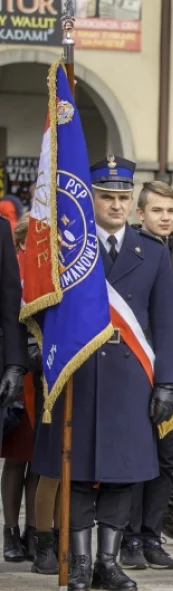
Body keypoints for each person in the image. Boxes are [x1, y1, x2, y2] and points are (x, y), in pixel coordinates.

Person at [31, 156, 173, 591]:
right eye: (107, 196)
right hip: (79, 376)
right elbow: (45, 313)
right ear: (91, 198)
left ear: (131, 202)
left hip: (132, 377)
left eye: (122, 197)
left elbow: (163, 325)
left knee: (122, 472)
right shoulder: (69, 249)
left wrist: (168, 382)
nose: (115, 205)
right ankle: (77, 564)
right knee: (76, 471)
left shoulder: (150, 251)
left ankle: (108, 564)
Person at [116, 181, 173, 572]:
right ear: (140, 213)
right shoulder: (128, 251)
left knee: (165, 459)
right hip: (135, 371)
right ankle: (127, 536)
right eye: (156, 210)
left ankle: (151, 535)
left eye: (170, 211)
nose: (164, 218)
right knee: (134, 458)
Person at [1, 213, 35, 564]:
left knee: (39, 461)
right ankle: (10, 530)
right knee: (16, 460)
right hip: (17, 376)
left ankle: (35, 530)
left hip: (43, 374)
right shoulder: (17, 266)